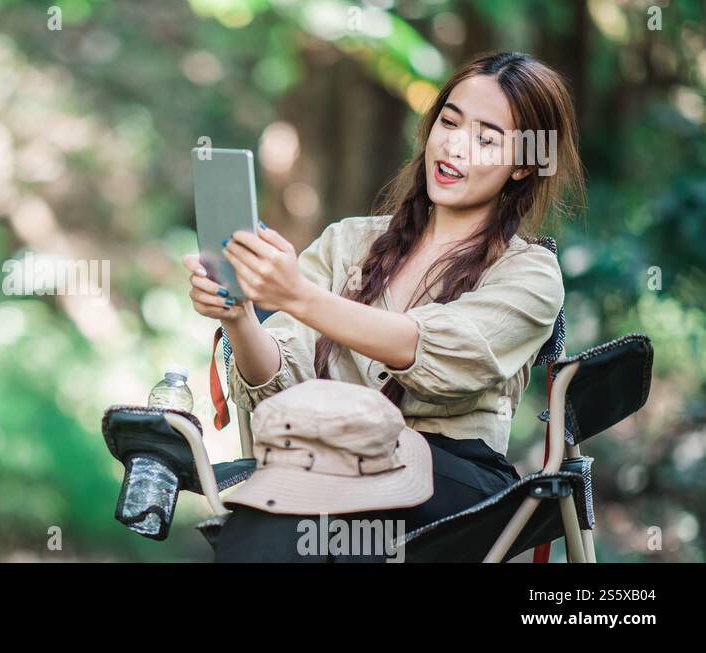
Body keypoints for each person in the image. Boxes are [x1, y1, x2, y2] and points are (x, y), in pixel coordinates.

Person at [182, 51, 584, 562]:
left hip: (452, 486)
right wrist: (238, 314)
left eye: (486, 139)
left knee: (309, 524)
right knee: (267, 525)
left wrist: (299, 296)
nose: (455, 146)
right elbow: (278, 380)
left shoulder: (529, 274)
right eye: (449, 122)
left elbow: (435, 353)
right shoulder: (347, 242)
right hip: (329, 463)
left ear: (524, 164)